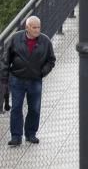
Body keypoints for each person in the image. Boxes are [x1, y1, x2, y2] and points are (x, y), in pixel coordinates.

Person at [2, 16, 55, 145]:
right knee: (16, 108)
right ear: (27, 27)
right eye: (34, 27)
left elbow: (51, 60)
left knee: (34, 108)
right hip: (17, 79)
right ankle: (16, 136)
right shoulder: (15, 39)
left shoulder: (45, 41)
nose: (37, 30)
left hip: (35, 80)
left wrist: (42, 72)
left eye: (39, 27)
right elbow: (5, 59)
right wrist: (4, 77)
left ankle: (31, 134)